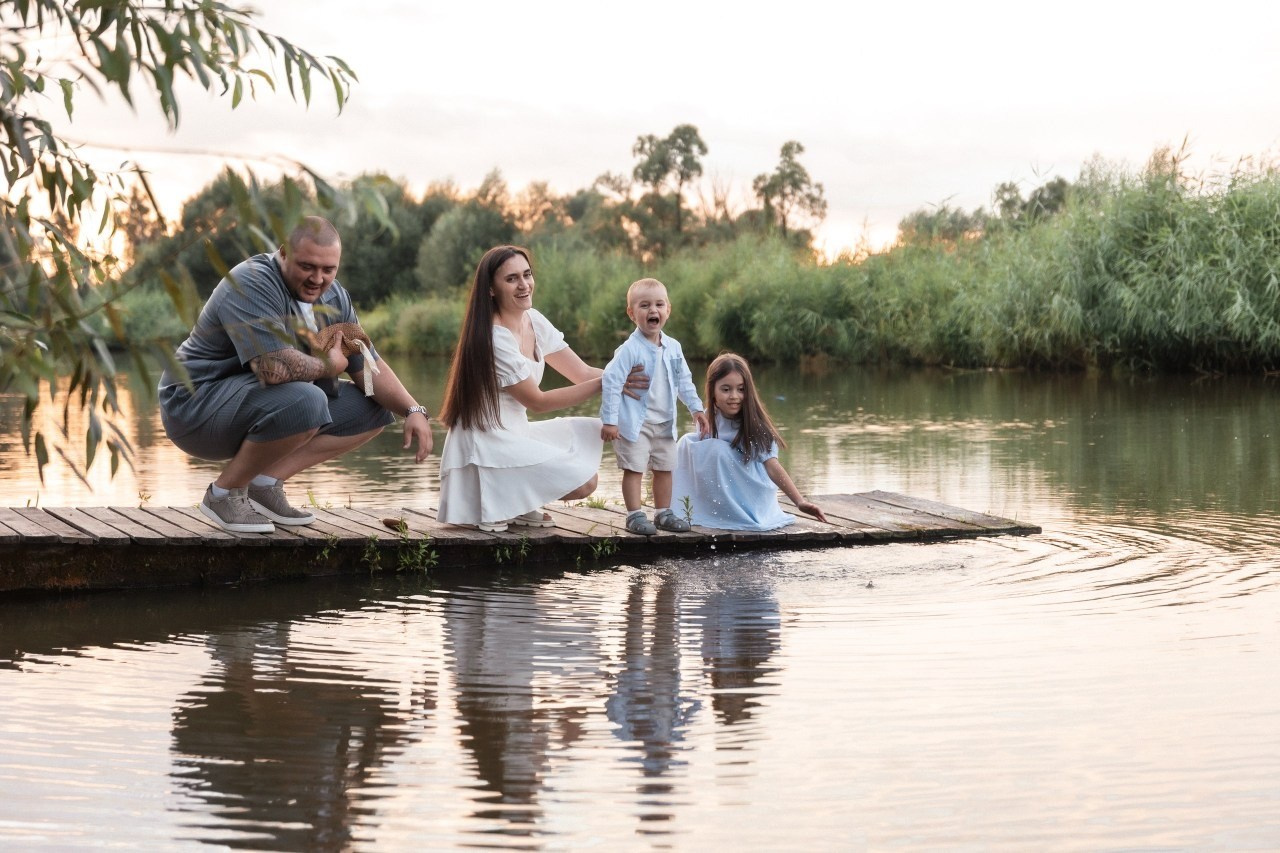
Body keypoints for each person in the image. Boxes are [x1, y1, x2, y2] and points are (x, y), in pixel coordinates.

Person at [158, 216, 433, 534]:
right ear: (284, 253)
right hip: (194, 407)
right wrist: (330, 366)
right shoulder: (252, 282)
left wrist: (413, 410)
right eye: (307, 266)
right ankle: (224, 494)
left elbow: (367, 364)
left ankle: (264, 484)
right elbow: (274, 370)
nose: (318, 278)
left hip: (251, 402)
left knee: (374, 406)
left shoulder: (334, 297)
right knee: (308, 399)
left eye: (328, 270)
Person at [436, 245, 643, 533]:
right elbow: (538, 402)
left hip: (515, 433)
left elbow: (580, 372)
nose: (524, 285)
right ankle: (500, 500)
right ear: (491, 290)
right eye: (511, 279)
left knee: (589, 442)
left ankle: (517, 501)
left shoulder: (533, 319)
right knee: (584, 482)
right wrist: (607, 384)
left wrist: (625, 378)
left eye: (527, 275)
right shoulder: (494, 338)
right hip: (485, 444)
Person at [600, 278, 709, 535]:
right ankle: (634, 515)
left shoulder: (673, 347)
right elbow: (612, 381)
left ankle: (663, 513)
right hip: (634, 424)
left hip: (664, 423)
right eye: (644, 305)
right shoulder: (630, 349)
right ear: (631, 313)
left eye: (659, 304)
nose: (653, 310)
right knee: (634, 468)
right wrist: (610, 420)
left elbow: (684, 381)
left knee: (665, 467)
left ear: (668, 310)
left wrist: (697, 409)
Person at [672, 352, 828, 530]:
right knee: (687, 442)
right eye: (725, 389)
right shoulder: (708, 417)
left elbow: (772, 466)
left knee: (716, 449)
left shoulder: (754, 426)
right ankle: (695, 507)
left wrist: (799, 502)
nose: (734, 396)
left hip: (751, 493)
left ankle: (736, 513)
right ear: (712, 391)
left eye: (741, 389)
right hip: (727, 488)